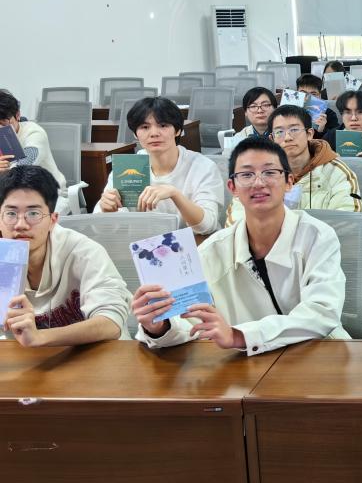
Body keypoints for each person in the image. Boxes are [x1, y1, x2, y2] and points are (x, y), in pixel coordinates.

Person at [132, 136, 348, 355]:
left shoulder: (317, 236)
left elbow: (322, 312)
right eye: (246, 174)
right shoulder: (212, 251)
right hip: (246, 365)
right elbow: (190, 320)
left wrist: (239, 336)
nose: (258, 182)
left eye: (270, 172)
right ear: (232, 187)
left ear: (289, 182)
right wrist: (159, 325)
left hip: (318, 355)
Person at [0, 166, 129, 346]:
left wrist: (40, 337)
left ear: (53, 220)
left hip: (98, 355)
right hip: (28, 359)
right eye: (11, 214)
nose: (21, 224)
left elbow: (111, 322)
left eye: (33, 213)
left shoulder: (84, 252)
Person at [96, 97, 223, 237]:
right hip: (143, 246)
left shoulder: (203, 167)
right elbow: (101, 229)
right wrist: (106, 210)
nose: (154, 133)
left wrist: (174, 194)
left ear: (178, 130)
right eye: (145, 127)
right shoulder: (128, 167)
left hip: (193, 245)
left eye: (163, 125)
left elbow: (207, 226)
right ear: (135, 134)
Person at [225, 104, 361, 224]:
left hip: (320, 245)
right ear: (272, 139)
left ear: (309, 134)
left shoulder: (337, 172)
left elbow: (349, 223)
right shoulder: (257, 174)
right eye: (279, 132)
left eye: (294, 130)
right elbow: (236, 222)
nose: (288, 137)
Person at [0, 90, 69, 213]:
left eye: (3, 123)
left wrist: (4, 171)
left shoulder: (34, 133)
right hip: (11, 197)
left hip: (48, 195)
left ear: (17, 115)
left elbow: (24, 167)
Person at [296, 73, 339, 139]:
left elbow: (335, 139)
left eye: (313, 94)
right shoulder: (289, 112)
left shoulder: (329, 114)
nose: (308, 98)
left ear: (319, 96)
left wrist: (321, 129)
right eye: (303, 93)